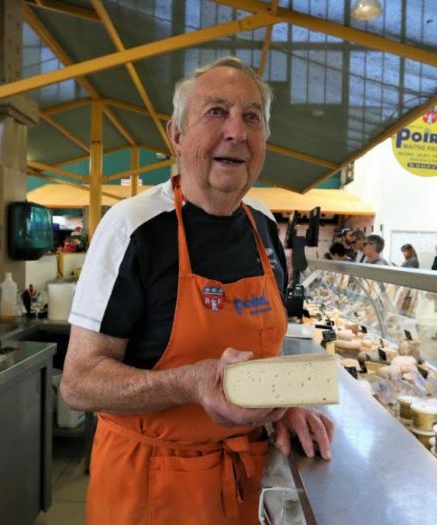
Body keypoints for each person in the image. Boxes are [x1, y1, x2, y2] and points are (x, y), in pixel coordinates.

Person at [61, 57, 335, 524]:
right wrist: (187, 382)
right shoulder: (133, 228)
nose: (236, 132)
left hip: (243, 483)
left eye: (252, 117)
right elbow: (78, 382)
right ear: (176, 135)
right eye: (215, 112)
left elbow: (258, 353)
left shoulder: (264, 225)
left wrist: (282, 406)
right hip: (150, 490)